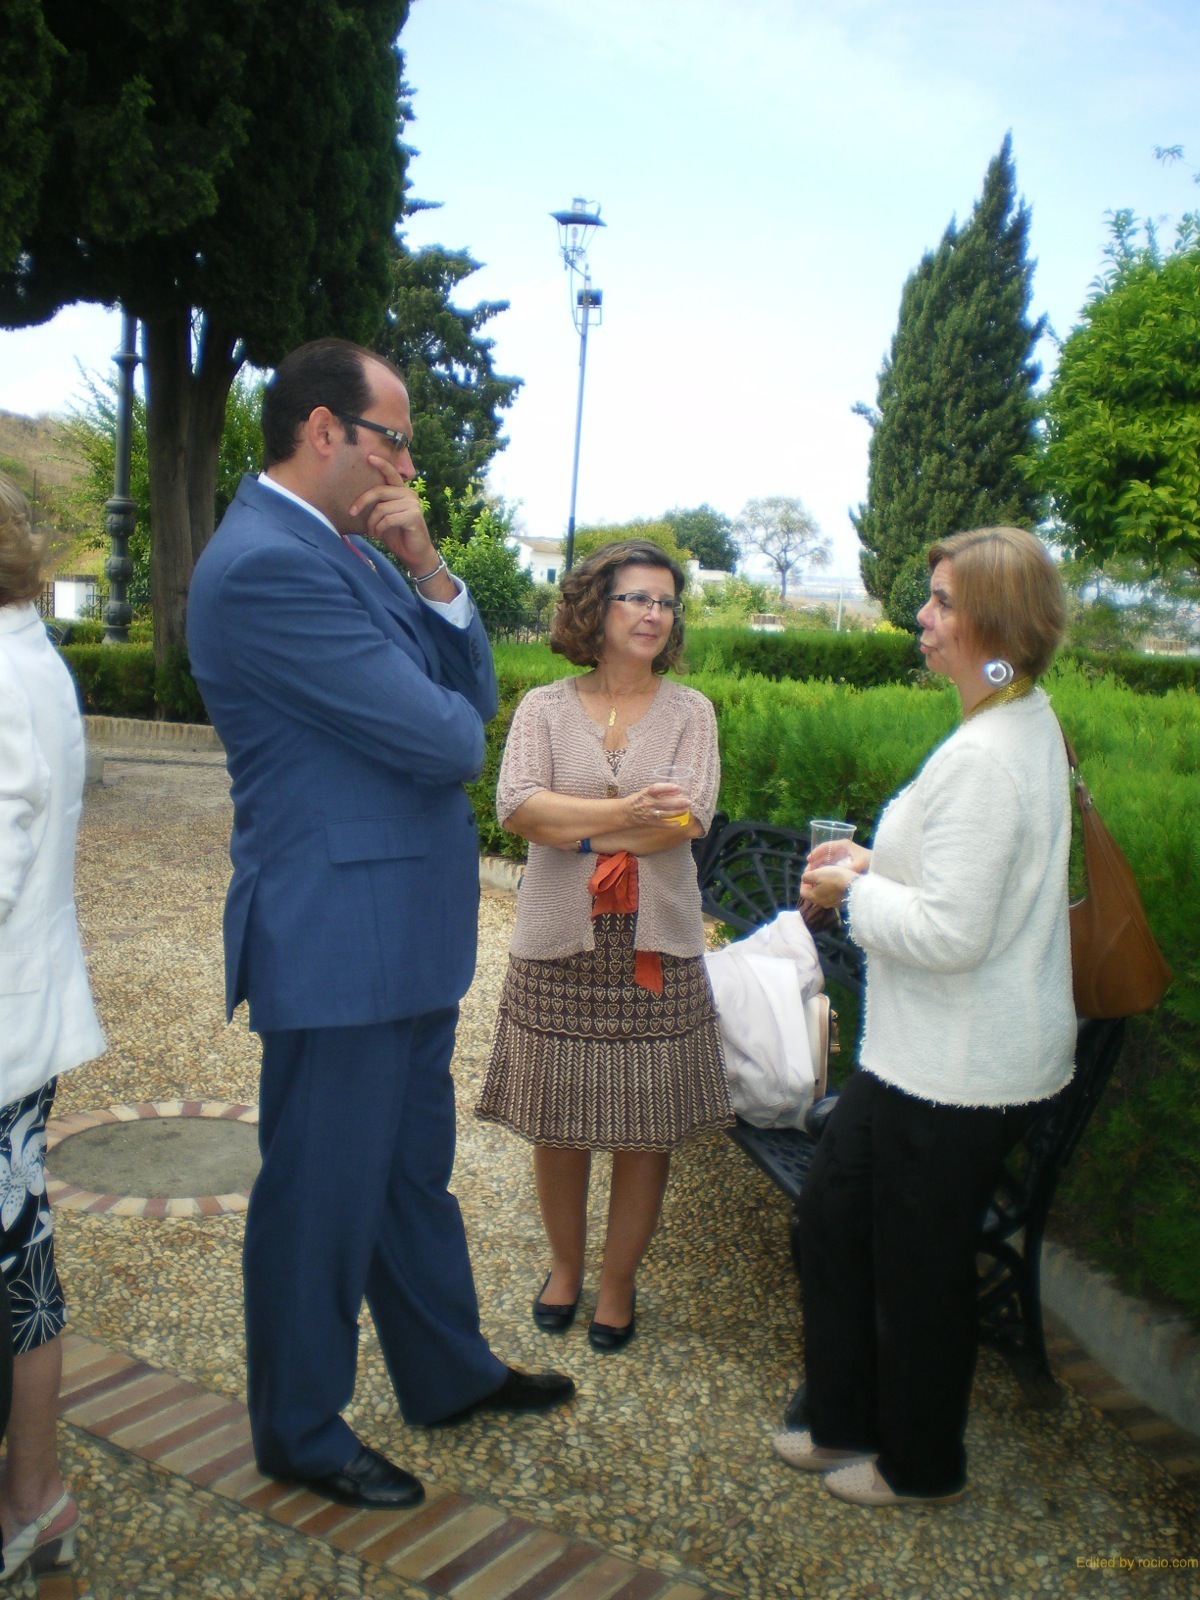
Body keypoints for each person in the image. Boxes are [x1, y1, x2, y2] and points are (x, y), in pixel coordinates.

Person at [186, 339, 573, 1512]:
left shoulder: (349, 548)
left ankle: (445, 1372)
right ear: (324, 430)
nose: (407, 462)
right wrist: (447, 705)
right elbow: (452, 740)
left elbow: (470, 694)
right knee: (321, 1194)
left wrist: (432, 569)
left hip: (394, 928)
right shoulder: (268, 565)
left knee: (407, 1176)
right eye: (393, 438)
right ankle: (300, 1428)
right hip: (337, 935)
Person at [778, 525, 1075, 1507]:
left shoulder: (990, 750)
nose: (923, 615)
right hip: (923, 1055)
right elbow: (965, 876)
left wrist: (850, 894)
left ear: (995, 621)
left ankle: (921, 1465)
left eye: (944, 601)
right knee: (834, 1218)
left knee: (916, 1266)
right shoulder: (1010, 716)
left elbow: (952, 932)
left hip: (959, 1068)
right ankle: (844, 1418)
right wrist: (876, 863)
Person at [476, 540, 733, 1351]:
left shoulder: (691, 713)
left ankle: (617, 1283)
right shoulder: (543, 709)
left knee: (643, 1125)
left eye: (666, 602)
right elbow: (518, 808)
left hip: (655, 949)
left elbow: (686, 822)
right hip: (558, 942)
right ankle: (565, 1267)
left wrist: (576, 824)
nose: (655, 614)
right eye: (637, 598)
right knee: (558, 1120)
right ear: (597, 608)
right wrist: (621, 820)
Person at [0, 473, 105, 1579]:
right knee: (21, 1265)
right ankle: (35, 1498)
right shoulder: (26, 653)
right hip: (16, 1031)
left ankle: (31, 1496)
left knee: (19, 1269)